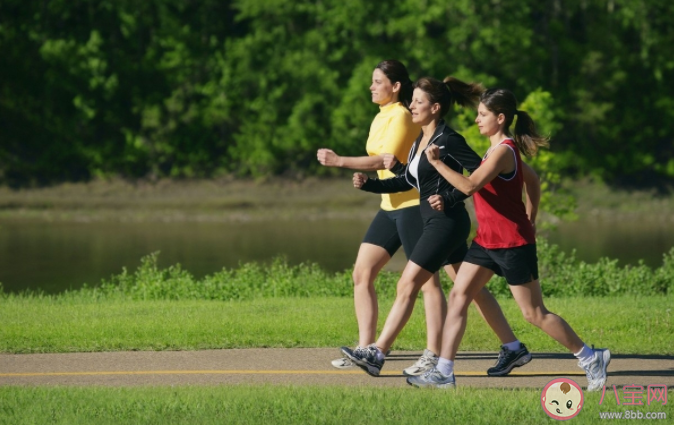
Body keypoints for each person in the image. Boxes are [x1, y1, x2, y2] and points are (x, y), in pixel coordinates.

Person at [406, 88, 610, 390]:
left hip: (513, 243)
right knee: (459, 296)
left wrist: (437, 163)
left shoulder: (503, 151)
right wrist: (532, 213)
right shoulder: (494, 150)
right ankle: (444, 372)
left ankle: (591, 357)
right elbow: (532, 179)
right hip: (487, 241)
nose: (477, 119)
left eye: (483, 115)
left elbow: (470, 184)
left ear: (500, 118)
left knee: (534, 313)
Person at [342, 77, 535, 377]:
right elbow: (409, 179)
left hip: (446, 224)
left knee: (407, 284)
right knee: (471, 289)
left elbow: (479, 177)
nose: (411, 106)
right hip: (437, 221)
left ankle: (377, 353)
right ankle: (513, 347)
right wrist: (370, 185)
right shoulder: (422, 139)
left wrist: (449, 196)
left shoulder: (449, 139)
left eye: (418, 101)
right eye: (411, 101)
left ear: (435, 107)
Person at [317, 59, 448, 375]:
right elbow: (383, 162)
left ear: (396, 86)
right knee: (362, 274)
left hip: (412, 207)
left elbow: (382, 159)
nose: (372, 86)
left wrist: (340, 161)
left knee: (427, 282)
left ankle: (434, 353)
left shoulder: (403, 116)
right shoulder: (381, 117)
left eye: (378, 81)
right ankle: (364, 348)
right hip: (389, 207)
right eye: (372, 81)